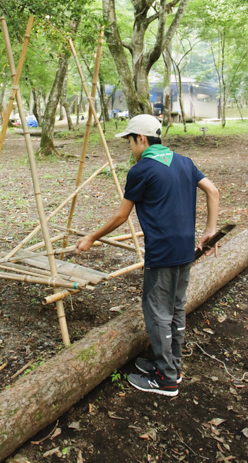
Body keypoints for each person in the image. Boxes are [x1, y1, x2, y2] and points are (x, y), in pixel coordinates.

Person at [75, 114, 219, 397]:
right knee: (176, 308)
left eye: (130, 141)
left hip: (162, 253)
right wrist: (210, 230)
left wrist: (91, 237)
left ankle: (166, 380)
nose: (130, 147)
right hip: (185, 249)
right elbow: (213, 191)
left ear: (141, 139)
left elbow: (121, 216)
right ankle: (169, 364)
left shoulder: (141, 170)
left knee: (157, 313)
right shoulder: (184, 163)